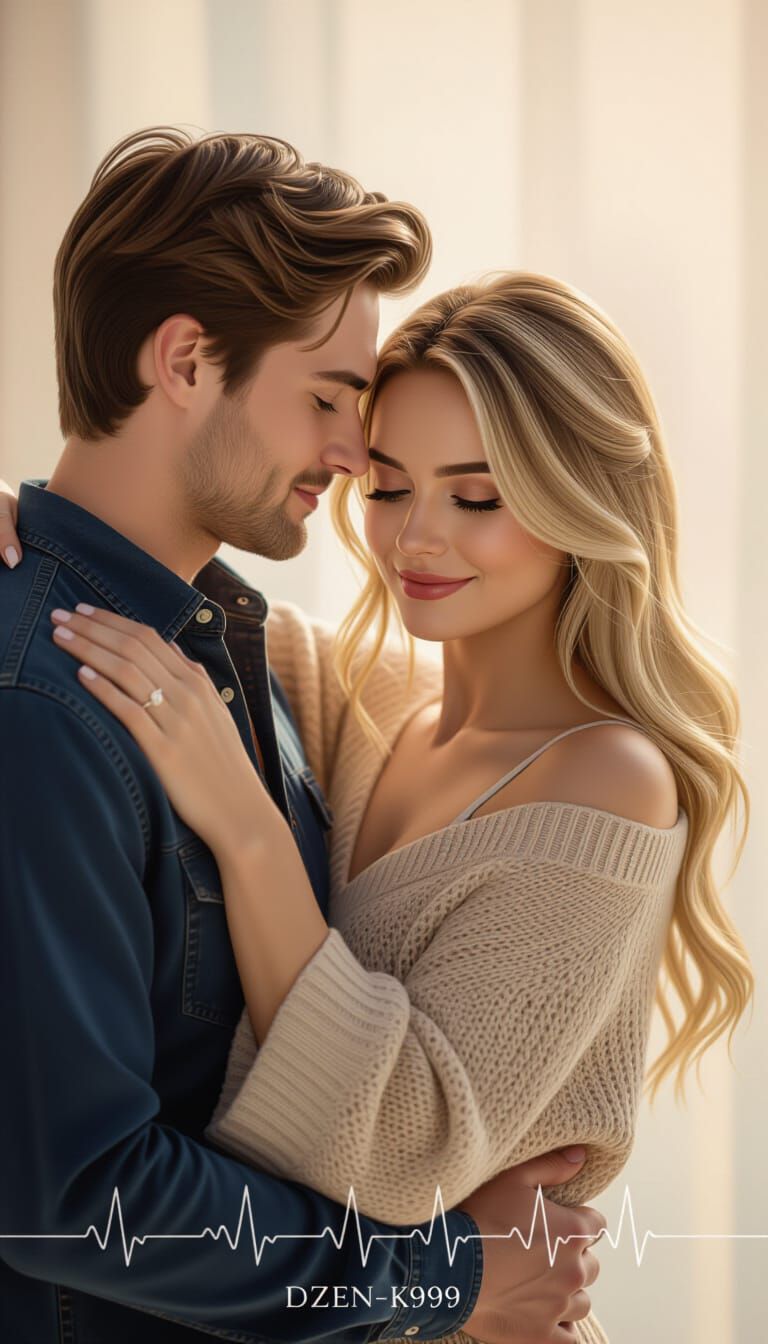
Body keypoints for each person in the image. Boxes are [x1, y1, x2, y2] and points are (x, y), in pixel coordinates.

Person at [3, 270, 754, 1342]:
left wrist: (252, 834)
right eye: (391, 488)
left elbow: (404, 1155)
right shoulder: (363, 700)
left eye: (477, 498)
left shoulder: (609, 781)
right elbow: (158, 600)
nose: (416, 540)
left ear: (583, 500)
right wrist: (32, 528)